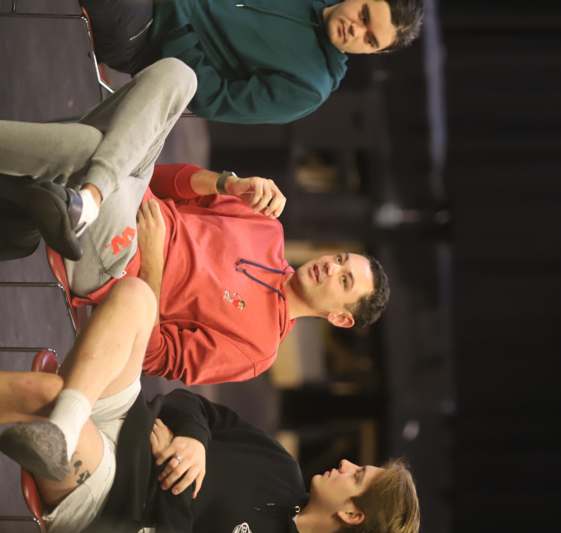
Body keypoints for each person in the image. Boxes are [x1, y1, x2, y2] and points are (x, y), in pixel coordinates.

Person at [1, 58, 390, 386]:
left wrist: (152, 263)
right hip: (133, 190)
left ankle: (90, 194)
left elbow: (149, 355)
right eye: (341, 260)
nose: (331, 266)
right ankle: (88, 196)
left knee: (90, 148)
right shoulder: (268, 227)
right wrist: (227, 184)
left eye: (344, 280)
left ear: (340, 317)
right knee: (178, 76)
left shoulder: (257, 350)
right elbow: (159, 180)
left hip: (119, 264)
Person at [0, 278, 420, 532]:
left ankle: (67, 418)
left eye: (358, 474)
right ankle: (69, 420)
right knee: (137, 297)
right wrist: (193, 441)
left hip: (113, 501)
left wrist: (171, 473)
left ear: (352, 514)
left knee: (46, 397)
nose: (346, 464)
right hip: (131, 420)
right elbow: (192, 405)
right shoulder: (280, 466)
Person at [81, 0, 424, 124]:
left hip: (149, 34)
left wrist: (178, 18)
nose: (356, 29)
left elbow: (209, 100)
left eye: (369, 39)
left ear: (375, 53)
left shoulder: (308, 88)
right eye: (364, 14)